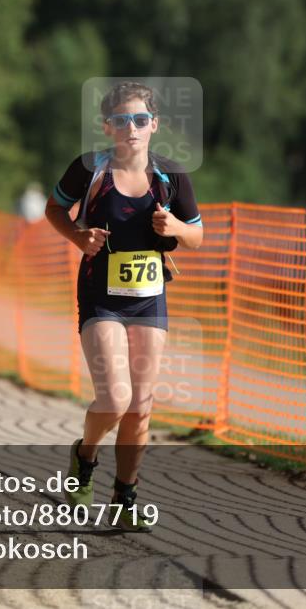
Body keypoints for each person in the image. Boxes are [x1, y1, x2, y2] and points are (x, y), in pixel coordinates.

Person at [45, 81, 203, 531]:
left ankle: (125, 496)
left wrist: (175, 226)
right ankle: (85, 455)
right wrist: (78, 236)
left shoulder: (172, 176)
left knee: (141, 405)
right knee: (115, 398)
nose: (130, 128)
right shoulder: (88, 169)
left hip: (149, 301)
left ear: (154, 125)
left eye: (139, 120)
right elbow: (53, 210)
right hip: (101, 298)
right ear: (106, 126)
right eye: (120, 120)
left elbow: (197, 235)